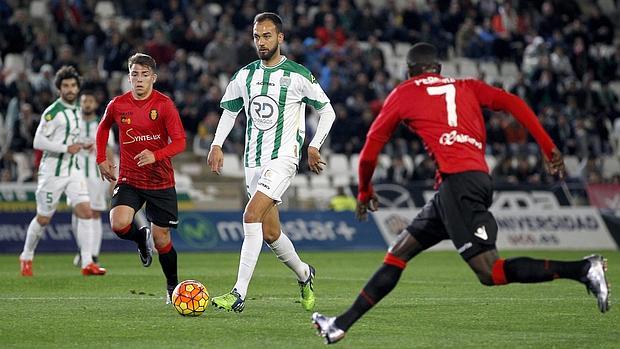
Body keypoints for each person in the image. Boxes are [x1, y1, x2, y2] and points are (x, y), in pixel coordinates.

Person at [312, 42, 610, 344]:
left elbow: (369, 151)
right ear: (439, 70)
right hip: (466, 183)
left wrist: (364, 191)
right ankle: (340, 324)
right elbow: (513, 103)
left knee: (490, 272)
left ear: (410, 72)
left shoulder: (405, 92)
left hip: (458, 185)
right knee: (398, 253)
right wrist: (549, 148)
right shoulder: (467, 85)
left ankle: (583, 268)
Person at [207, 12, 336, 312]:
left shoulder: (298, 75)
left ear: (280, 38)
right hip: (252, 161)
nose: (261, 42)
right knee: (270, 233)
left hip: (283, 159)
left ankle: (238, 293)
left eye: (267, 36)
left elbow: (327, 111)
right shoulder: (245, 75)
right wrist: (216, 144)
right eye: (256, 37)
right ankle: (305, 274)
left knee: (250, 216)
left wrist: (314, 146)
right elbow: (230, 111)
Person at [96, 53, 186, 303]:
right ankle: (139, 238)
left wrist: (156, 155)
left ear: (153, 78)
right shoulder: (117, 104)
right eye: (134, 74)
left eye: (144, 75)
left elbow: (180, 142)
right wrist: (101, 158)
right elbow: (103, 128)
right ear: (129, 77)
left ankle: (172, 287)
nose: (139, 79)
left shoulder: (164, 105)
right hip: (130, 179)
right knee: (118, 224)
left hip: (161, 181)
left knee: (163, 239)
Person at [19, 65, 106, 276]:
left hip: (73, 169)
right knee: (44, 218)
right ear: (59, 89)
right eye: (65, 86)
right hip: (52, 172)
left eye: (73, 85)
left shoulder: (77, 110)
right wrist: (66, 148)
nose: (70, 89)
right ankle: (27, 255)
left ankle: (87, 263)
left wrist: (83, 143)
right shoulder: (52, 112)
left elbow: (70, 138)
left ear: (78, 88)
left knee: (86, 211)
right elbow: (38, 141)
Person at [71, 91, 115, 267]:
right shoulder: (73, 124)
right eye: (84, 101)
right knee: (78, 212)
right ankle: (83, 250)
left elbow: (110, 150)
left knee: (94, 213)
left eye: (90, 100)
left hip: (97, 176)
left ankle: (93, 255)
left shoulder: (102, 124)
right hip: (75, 174)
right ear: (80, 103)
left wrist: (112, 177)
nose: (87, 104)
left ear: (95, 105)